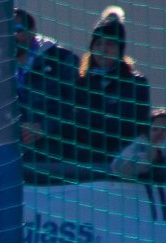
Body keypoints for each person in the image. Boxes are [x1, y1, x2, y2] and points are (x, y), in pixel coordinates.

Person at [67, 6, 150, 168]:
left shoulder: (136, 83)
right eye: (98, 44)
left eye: (110, 44)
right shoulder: (81, 82)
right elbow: (74, 122)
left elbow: (132, 124)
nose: (103, 50)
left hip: (119, 160)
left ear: (120, 49)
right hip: (84, 161)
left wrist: (97, 121)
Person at [12, 8, 78, 164]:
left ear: (33, 31)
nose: (12, 37)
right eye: (7, 32)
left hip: (57, 159)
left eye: (17, 30)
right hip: (15, 159)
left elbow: (77, 107)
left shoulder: (61, 59)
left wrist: (44, 127)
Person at [110, 107, 166, 182]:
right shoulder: (140, 145)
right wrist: (148, 158)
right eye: (155, 129)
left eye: (164, 130)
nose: (160, 133)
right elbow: (117, 167)